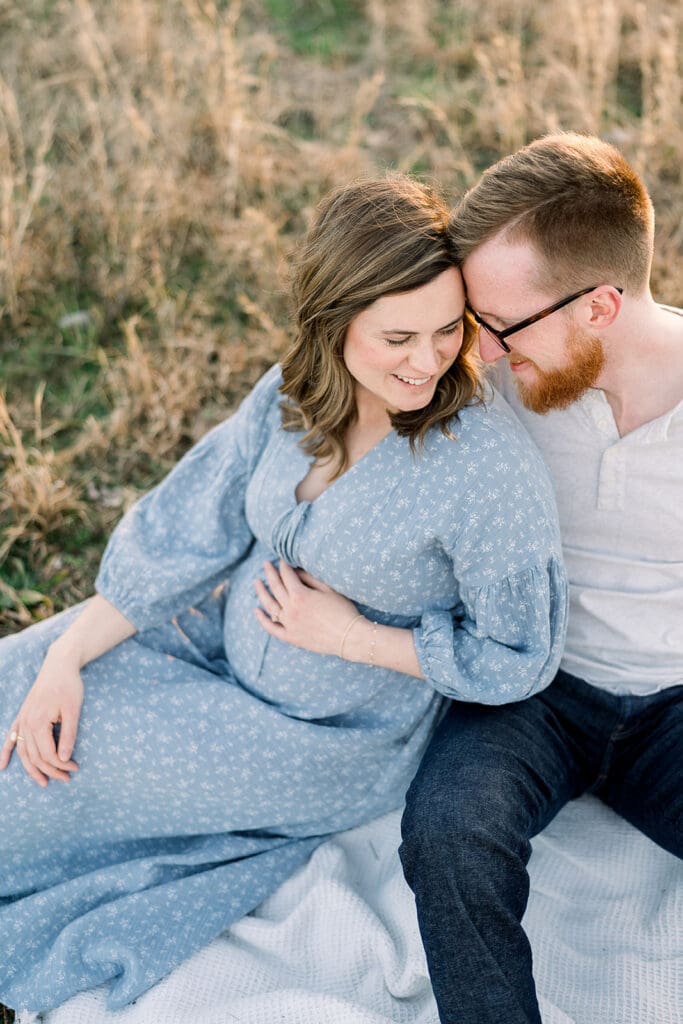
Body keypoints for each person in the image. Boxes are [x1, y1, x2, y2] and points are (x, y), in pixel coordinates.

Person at [0, 174, 567, 1015]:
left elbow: (520, 656)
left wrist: (353, 638)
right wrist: (64, 656)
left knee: (53, 772)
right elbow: (186, 528)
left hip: (325, 738)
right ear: (333, 325)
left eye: (448, 329)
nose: (428, 361)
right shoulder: (292, 395)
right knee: (16, 687)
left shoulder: (481, 466)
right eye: (398, 337)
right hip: (208, 644)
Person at [399, 132, 683, 1024]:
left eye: (500, 324)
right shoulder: (497, 386)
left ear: (598, 306)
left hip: (674, 706)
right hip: (533, 685)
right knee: (447, 830)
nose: (480, 351)